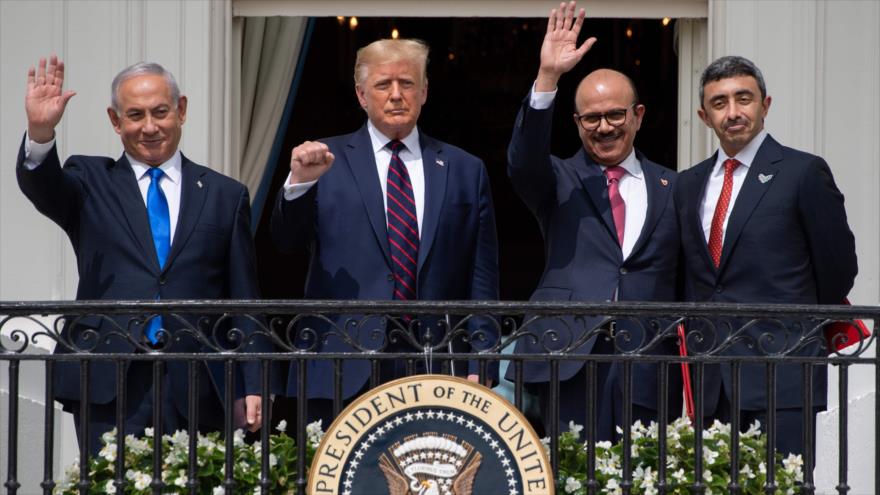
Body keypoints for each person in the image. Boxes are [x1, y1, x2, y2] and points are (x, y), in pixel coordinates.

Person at [17, 56, 269, 455]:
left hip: (197, 378)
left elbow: (244, 297)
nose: (149, 127)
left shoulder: (225, 194)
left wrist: (253, 382)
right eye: (134, 115)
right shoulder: (89, 180)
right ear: (115, 121)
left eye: (160, 112)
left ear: (181, 110)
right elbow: (43, 186)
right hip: (109, 376)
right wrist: (41, 132)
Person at [270, 39, 499, 423]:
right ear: (361, 95)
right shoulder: (324, 160)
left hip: (436, 363)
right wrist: (298, 185)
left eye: (407, 84)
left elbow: (481, 275)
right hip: (342, 363)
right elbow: (285, 243)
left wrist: (483, 358)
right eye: (383, 85)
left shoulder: (464, 168)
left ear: (424, 92)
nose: (396, 95)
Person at [506, 1, 681, 441]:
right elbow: (522, 160)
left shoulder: (677, 186)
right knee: (567, 475)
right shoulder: (558, 179)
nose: (604, 127)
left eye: (615, 115)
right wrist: (548, 79)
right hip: (565, 357)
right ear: (577, 122)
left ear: (638, 116)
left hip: (646, 360)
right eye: (591, 118)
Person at [675, 55, 857, 455]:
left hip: (783, 375)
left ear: (765, 105)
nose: (734, 112)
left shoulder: (803, 172)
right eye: (720, 103)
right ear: (704, 116)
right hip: (711, 383)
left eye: (744, 98)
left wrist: (795, 331)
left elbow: (838, 269)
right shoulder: (687, 185)